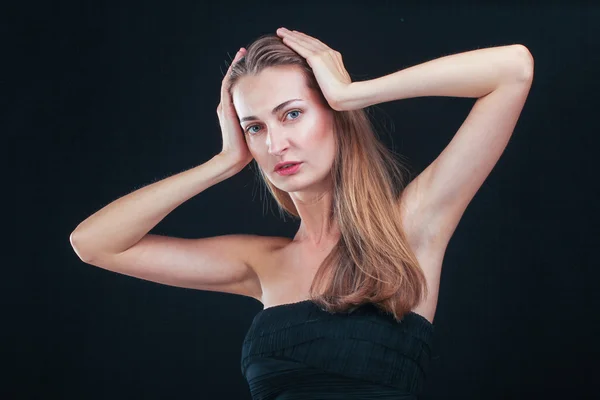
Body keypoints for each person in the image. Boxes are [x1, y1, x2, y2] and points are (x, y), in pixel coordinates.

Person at [70, 28, 534, 399]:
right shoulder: (261, 263)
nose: (275, 145)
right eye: (256, 127)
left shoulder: (411, 228)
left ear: (333, 113)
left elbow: (512, 69)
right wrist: (224, 162)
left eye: (291, 114)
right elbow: (94, 243)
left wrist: (354, 94)